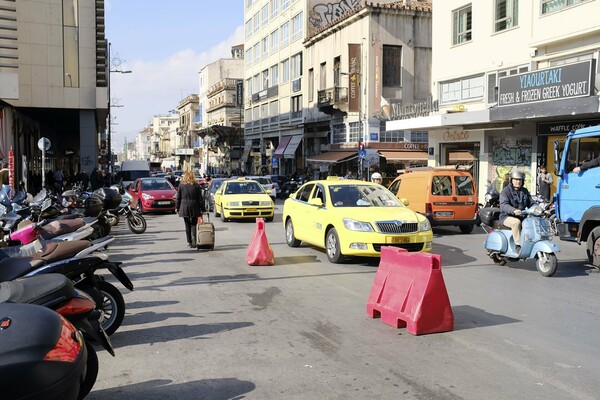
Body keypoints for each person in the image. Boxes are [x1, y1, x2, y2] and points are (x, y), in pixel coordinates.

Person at [499, 170, 532, 254]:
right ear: (511, 180)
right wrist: (513, 210)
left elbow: (531, 202)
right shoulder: (505, 191)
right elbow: (504, 205)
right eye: (516, 179)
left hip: (521, 215)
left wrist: (539, 208)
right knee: (516, 223)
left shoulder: (524, 191)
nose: (518, 182)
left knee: (531, 222)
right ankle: (518, 245)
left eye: (520, 180)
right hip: (506, 216)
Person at [175, 171, 205, 248]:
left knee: (187, 224)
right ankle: (194, 238)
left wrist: (177, 208)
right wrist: (203, 209)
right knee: (194, 224)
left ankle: (189, 241)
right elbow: (200, 199)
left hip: (184, 207)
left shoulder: (181, 185)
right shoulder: (197, 186)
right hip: (194, 207)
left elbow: (178, 198)